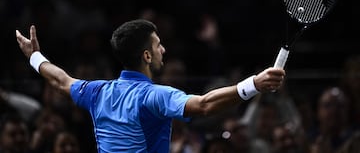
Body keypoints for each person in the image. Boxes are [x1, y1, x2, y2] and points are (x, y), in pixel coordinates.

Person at [15, 19, 285, 152]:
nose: (163, 50)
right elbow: (203, 105)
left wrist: (34, 56)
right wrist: (255, 84)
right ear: (146, 55)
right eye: (158, 45)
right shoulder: (154, 96)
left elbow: (60, 80)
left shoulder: (96, 92)